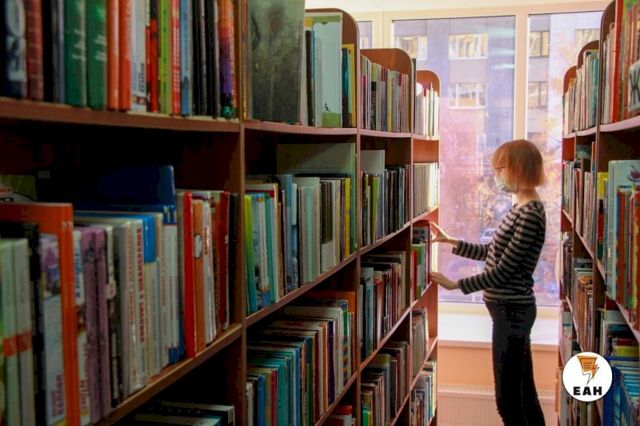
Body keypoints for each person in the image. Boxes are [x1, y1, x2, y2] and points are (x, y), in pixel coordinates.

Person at [431, 139, 547, 426]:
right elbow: (492, 252)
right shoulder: (520, 208)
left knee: (508, 400)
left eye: (500, 169)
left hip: (513, 311)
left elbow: (504, 270)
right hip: (508, 311)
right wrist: (452, 242)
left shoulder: (530, 214)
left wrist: (457, 285)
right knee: (524, 394)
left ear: (519, 168)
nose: (496, 175)